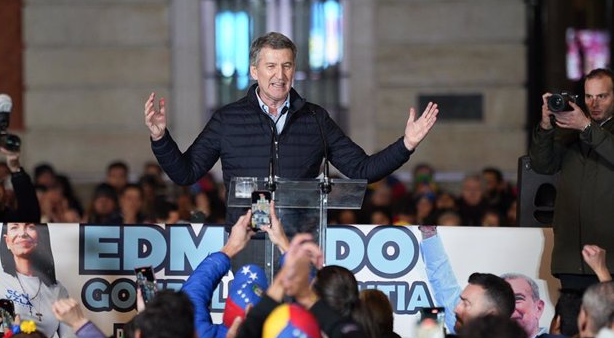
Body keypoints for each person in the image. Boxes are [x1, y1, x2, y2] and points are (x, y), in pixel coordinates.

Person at [145, 31, 439, 227]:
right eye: (270, 66)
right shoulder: (228, 119)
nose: (279, 75)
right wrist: (160, 137)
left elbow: (363, 170)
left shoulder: (315, 119)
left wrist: (407, 144)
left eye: (286, 66)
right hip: (247, 239)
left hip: (299, 242)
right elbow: (185, 173)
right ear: (254, 71)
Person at [529, 68, 614, 291]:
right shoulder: (570, 131)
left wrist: (586, 127)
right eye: (588, 97)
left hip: (610, 256)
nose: (594, 103)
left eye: (602, 96)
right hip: (571, 257)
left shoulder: (583, 127)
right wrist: (547, 126)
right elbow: (541, 165)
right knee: (570, 323)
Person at [0, 222, 80, 338]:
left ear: (41, 237)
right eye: (14, 227)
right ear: (7, 241)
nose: (22, 233)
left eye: (30, 227)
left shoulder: (57, 290)